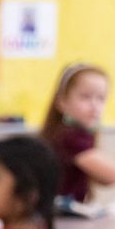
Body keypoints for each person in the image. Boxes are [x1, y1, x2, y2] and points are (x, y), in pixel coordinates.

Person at [40, 62, 112, 203]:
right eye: (85, 97)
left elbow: (104, 179)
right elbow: (111, 175)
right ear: (62, 102)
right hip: (59, 219)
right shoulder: (70, 137)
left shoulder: (81, 134)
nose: (95, 105)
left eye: (101, 98)